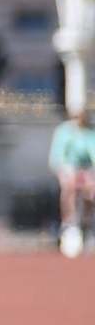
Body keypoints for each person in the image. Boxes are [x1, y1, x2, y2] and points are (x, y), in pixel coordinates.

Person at [47, 106, 95, 256]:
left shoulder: (90, 132)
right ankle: (69, 222)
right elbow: (57, 156)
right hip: (68, 167)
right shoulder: (64, 132)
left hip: (85, 168)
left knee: (91, 190)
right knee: (70, 188)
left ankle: (87, 223)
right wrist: (67, 171)